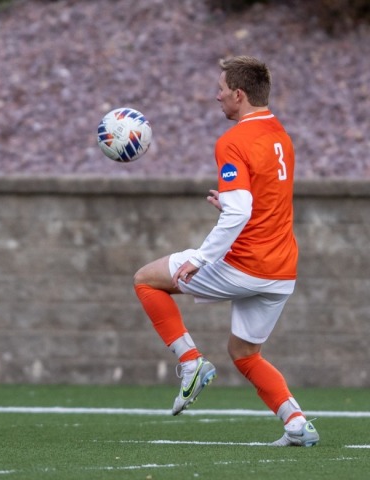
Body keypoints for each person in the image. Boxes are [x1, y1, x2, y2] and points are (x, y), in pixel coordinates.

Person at [132, 56, 319, 447]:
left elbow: (241, 211)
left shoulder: (233, 140)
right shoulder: (279, 134)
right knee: (245, 352)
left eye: (220, 90)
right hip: (282, 270)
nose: (215, 96)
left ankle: (189, 362)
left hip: (246, 265)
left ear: (239, 94)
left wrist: (199, 258)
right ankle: (297, 423)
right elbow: (262, 200)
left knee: (147, 280)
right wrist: (233, 205)